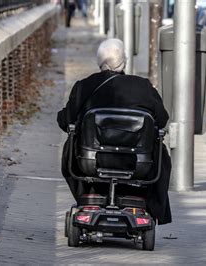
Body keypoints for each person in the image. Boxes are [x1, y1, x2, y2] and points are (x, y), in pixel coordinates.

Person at [57, 39, 172, 225]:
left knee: (72, 143)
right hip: (138, 164)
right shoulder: (143, 87)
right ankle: (146, 202)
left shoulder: (84, 86)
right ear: (124, 61)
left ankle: (90, 194)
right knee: (160, 151)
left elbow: (65, 121)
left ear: (99, 61)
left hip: (91, 162)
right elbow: (162, 119)